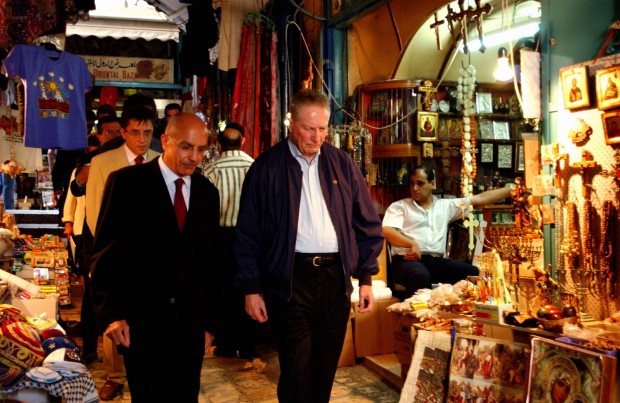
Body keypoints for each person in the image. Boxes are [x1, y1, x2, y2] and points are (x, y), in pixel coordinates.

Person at [235, 89, 384, 403]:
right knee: (296, 371)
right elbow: (247, 233)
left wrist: (366, 279)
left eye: (322, 128)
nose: (316, 137)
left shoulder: (342, 164)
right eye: (308, 128)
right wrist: (251, 288)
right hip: (290, 281)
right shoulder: (266, 168)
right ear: (291, 124)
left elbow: (367, 224)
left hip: (334, 279)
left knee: (325, 369)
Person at [91, 112, 220, 402]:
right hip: (142, 323)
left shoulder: (207, 193)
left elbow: (211, 263)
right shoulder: (127, 183)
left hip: (189, 326)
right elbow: (104, 254)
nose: (194, 157)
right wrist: (112, 314)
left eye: (201, 149)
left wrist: (209, 324)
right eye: (186, 147)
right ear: (165, 141)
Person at [86, 106, 160, 401]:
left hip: (153, 257)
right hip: (117, 254)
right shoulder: (103, 162)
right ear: (124, 132)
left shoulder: (160, 160)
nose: (142, 139)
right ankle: (114, 376)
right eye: (136, 132)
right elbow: (95, 213)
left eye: (147, 133)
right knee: (115, 315)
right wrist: (109, 253)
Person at [382, 164, 511, 298]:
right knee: (420, 275)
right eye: (412, 183)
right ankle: (412, 311)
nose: (414, 188)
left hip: (435, 261)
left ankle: (468, 309)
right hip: (406, 261)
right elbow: (387, 231)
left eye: (420, 183)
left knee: (474, 273)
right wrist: (412, 244)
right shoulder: (400, 206)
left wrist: (513, 189)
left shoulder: (445, 206)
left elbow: (480, 199)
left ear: (432, 184)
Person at [203, 122, 256, 359]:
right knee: (249, 288)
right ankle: (248, 344)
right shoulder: (254, 166)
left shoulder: (211, 170)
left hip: (220, 238)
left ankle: (226, 344)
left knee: (223, 290)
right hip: (250, 238)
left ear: (220, 145)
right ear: (242, 141)